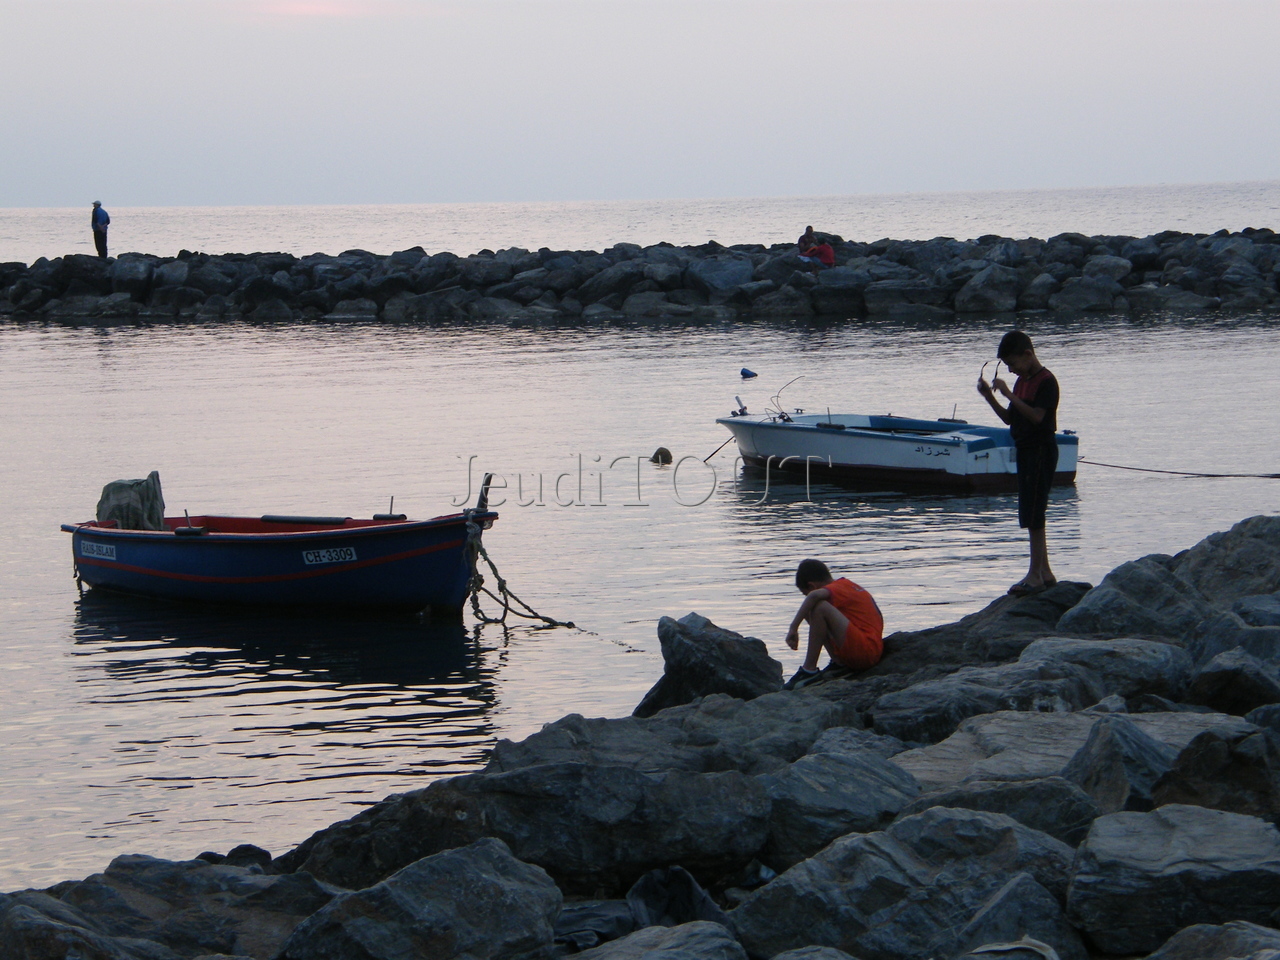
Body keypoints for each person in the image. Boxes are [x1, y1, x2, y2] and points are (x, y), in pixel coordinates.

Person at [977, 330, 1060, 596]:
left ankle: (1034, 575)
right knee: (1030, 510)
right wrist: (990, 396)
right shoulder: (1021, 382)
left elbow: (1037, 417)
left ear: (1028, 354)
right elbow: (1009, 419)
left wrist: (1008, 395)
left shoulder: (1046, 381)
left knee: (1034, 512)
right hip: (1025, 450)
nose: (1011, 370)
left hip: (1041, 450)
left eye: (1013, 363)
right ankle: (1044, 571)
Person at [782, 558, 884, 689]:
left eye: (805, 593)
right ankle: (838, 662)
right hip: (865, 650)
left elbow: (813, 597)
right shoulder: (846, 587)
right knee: (809, 610)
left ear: (812, 586)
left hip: (866, 652)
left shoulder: (838, 588)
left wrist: (793, 628)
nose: (806, 597)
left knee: (820, 607)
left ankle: (809, 669)